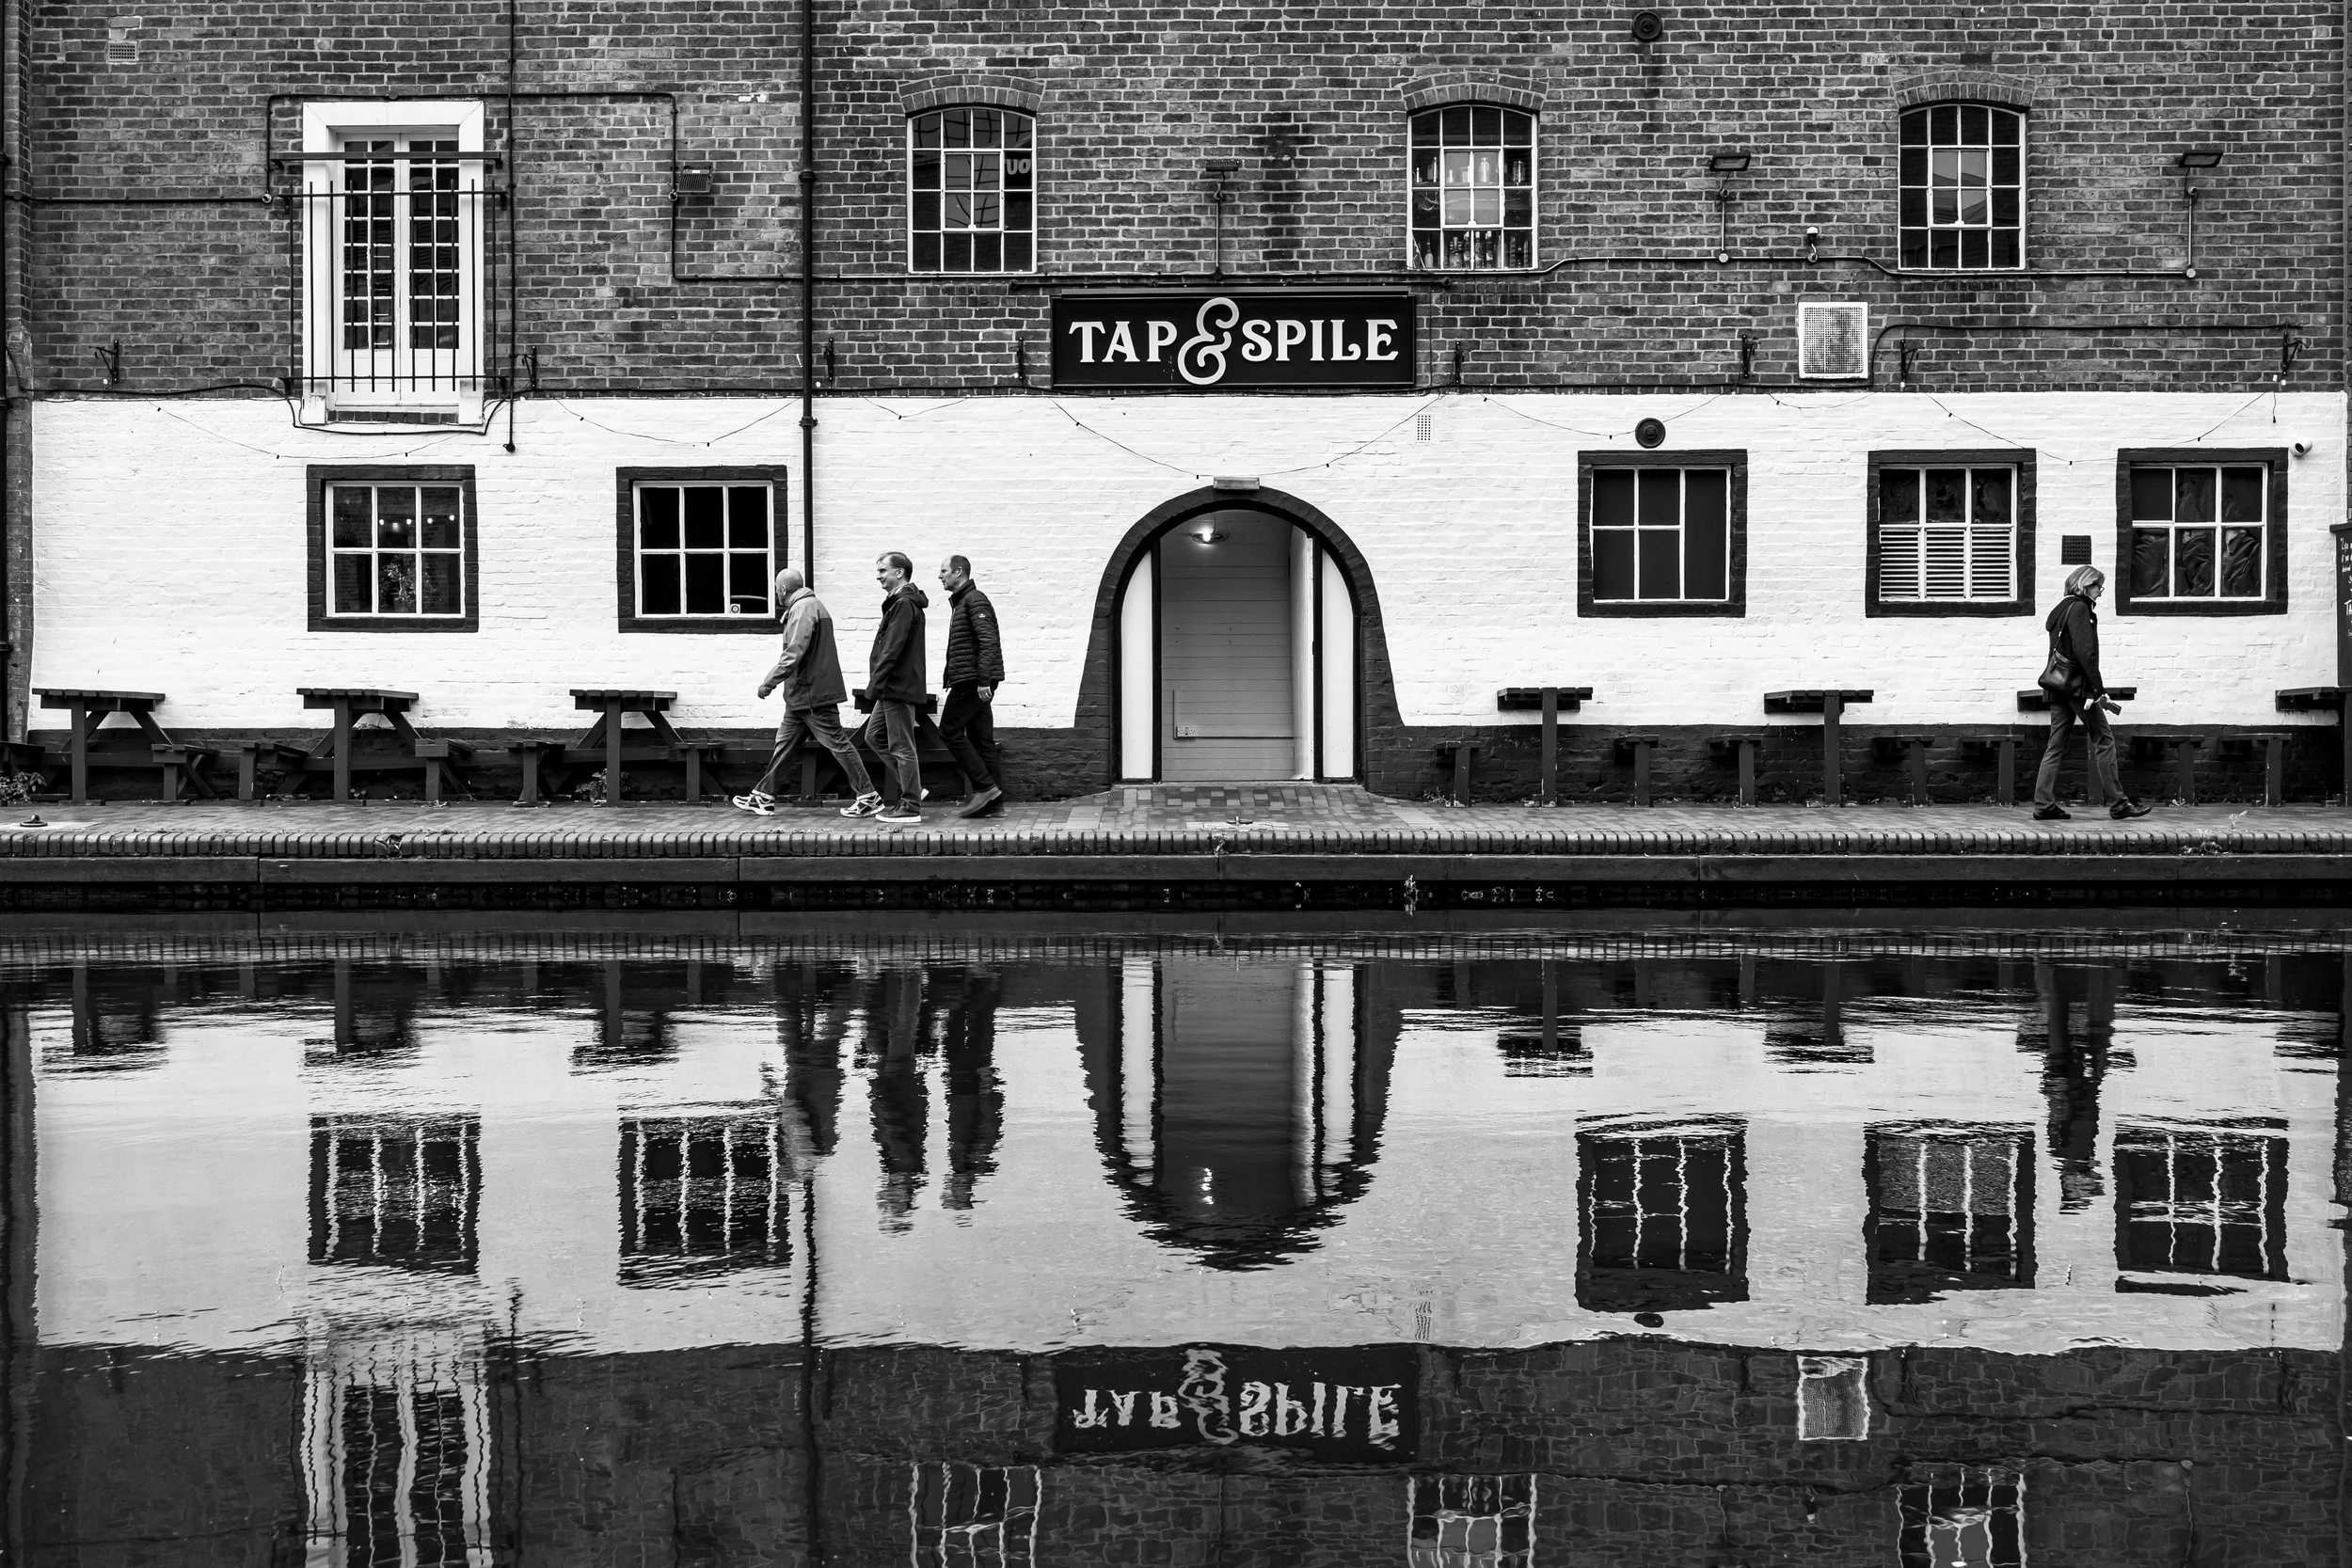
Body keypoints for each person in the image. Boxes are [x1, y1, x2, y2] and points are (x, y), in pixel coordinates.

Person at [733, 568, 884, 818]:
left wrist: (768, 682)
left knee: (838, 744)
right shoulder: (814, 606)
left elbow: (794, 652)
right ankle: (764, 797)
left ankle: (868, 797)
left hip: (812, 693)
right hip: (802, 696)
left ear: (783, 589)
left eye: (776, 588)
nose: (775, 592)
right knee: (785, 746)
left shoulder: (803, 609)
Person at [2032, 564, 2151, 822]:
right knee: (2104, 740)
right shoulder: (2080, 608)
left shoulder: (2060, 608)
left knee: (2056, 745)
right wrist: (2097, 690)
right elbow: (2086, 653)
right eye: (2098, 586)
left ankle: (2043, 804)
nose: (2100, 592)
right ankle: (2119, 803)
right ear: (2085, 585)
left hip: (2057, 685)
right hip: (2077, 689)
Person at [860, 551, 930, 826]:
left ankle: (911, 805)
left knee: (902, 746)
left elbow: (892, 648)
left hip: (897, 685)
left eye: (882, 570)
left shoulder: (902, 604)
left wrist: (875, 684)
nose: (878, 576)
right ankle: (913, 786)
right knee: (874, 736)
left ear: (899, 572)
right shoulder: (900, 602)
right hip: (893, 685)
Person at [937, 554, 1007, 818]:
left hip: (973, 681)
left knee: (949, 731)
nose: (940, 576)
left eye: (944, 571)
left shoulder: (974, 599)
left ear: (958, 571)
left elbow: (987, 641)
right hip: (972, 679)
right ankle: (996, 804)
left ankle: (985, 787)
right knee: (982, 741)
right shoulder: (963, 601)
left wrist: (982, 681)